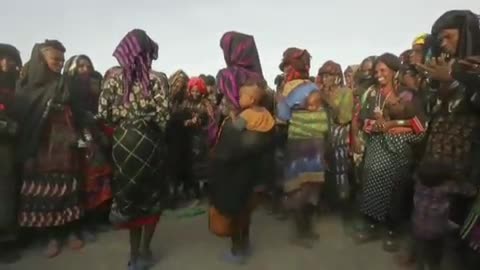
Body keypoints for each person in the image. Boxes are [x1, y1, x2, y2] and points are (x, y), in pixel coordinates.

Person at [98, 29, 170, 270]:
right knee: (151, 194)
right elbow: (163, 117)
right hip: (150, 142)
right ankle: (146, 250)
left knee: (129, 195)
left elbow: (104, 114)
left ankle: (134, 255)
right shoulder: (158, 79)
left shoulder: (112, 79)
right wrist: (146, 120)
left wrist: (124, 120)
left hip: (122, 142)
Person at [415, 10, 480, 270]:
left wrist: (456, 76)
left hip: (466, 172)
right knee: (434, 230)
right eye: (440, 39)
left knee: (461, 239)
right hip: (437, 166)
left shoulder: (469, 71)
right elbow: (432, 113)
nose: (443, 44)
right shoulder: (446, 70)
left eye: (448, 37)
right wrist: (436, 87)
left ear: (467, 36)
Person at [12, 40, 85, 258]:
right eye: (56, 59)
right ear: (42, 59)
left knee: (69, 187)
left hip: (66, 143)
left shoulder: (66, 83)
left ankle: (71, 231)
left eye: (63, 60)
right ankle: (51, 236)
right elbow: (26, 119)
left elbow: (78, 110)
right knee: (45, 192)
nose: (60, 64)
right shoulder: (27, 86)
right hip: (41, 146)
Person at [209, 31, 273, 265]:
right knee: (248, 198)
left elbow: (221, 110)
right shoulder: (259, 78)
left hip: (232, 146)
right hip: (257, 149)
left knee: (231, 197)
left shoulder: (226, 76)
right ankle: (245, 242)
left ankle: (236, 249)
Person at [356, 53, 426, 252]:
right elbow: (363, 122)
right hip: (377, 146)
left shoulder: (408, 94)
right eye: (376, 71)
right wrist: (376, 125)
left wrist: (392, 124)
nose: (379, 74)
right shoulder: (371, 94)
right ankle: (371, 225)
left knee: (396, 187)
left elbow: (420, 125)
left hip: (400, 148)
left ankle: (391, 229)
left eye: (383, 70)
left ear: (394, 71)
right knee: (371, 182)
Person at [276, 47, 328, 248]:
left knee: (299, 187)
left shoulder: (289, 88)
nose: (285, 70)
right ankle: (304, 230)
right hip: (315, 142)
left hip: (300, 143)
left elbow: (283, 117)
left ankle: (302, 231)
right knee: (310, 186)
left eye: (286, 65)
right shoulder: (312, 85)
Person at [63, 55, 112, 242]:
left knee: (100, 179)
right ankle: (83, 224)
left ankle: (98, 218)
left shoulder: (96, 85)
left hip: (96, 137)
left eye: (87, 65)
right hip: (75, 139)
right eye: (80, 66)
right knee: (83, 183)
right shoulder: (66, 87)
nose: (85, 69)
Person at [411, 159, 477, 270]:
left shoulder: (418, 183)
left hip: (418, 226)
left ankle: (420, 265)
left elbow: (415, 174)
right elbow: (471, 191)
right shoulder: (446, 187)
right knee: (437, 249)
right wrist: (457, 178)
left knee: (421, 249)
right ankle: (434, 265)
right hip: (437, 229)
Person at [317, 60, 354, 213]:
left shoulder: (346, 92)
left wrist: (327, 99)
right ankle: (327, 202)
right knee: (324, 171)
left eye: (329, 75)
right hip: (321, 136)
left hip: (339, 136)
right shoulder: (318, 92)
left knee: (340, 170)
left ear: (337, 77)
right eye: (324, 75)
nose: (326, 79)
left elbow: (344, 118)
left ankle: (343, 204)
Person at [0, 43, 21, 264]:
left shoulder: (17, 85)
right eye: (2, 58)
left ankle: (9, 239)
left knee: (8, 194)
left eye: (11, 58)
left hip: (11, 147)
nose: (6, 63)